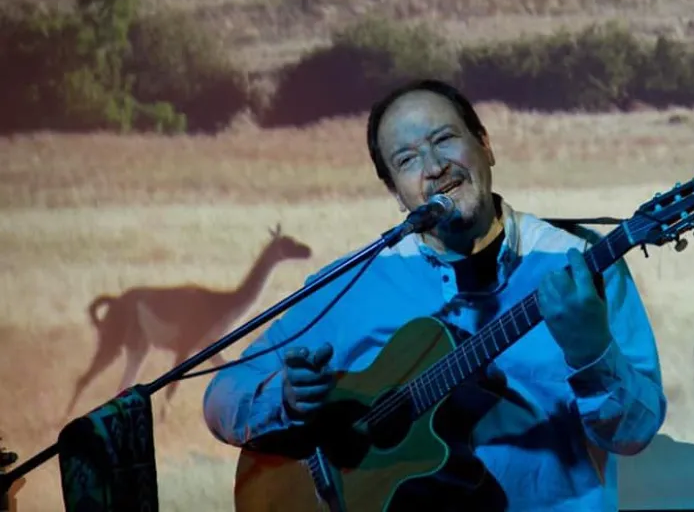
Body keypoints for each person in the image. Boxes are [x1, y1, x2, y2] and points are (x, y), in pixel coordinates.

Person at [202, 78, 667, 511]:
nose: (434, 167)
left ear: (485, 145)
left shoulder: (578, 263)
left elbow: (634, 432)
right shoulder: (357, 282)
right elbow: (222, 394)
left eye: (444, 140)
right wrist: (285, 399)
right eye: (407, 160)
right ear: (397, 194)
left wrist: (590, 350)